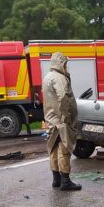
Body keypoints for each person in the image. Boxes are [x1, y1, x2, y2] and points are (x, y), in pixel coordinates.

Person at [42, 52, 81, 191]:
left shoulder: (47, 77)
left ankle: (56, 180)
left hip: (52, 119)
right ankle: (65, 181)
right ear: (61, 64)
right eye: (65, 64)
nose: (66, 66)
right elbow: (63, 97)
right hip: (61, 121)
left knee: (53, 148)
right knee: (64, 149)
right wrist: (66, 117)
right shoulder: (59, 78)